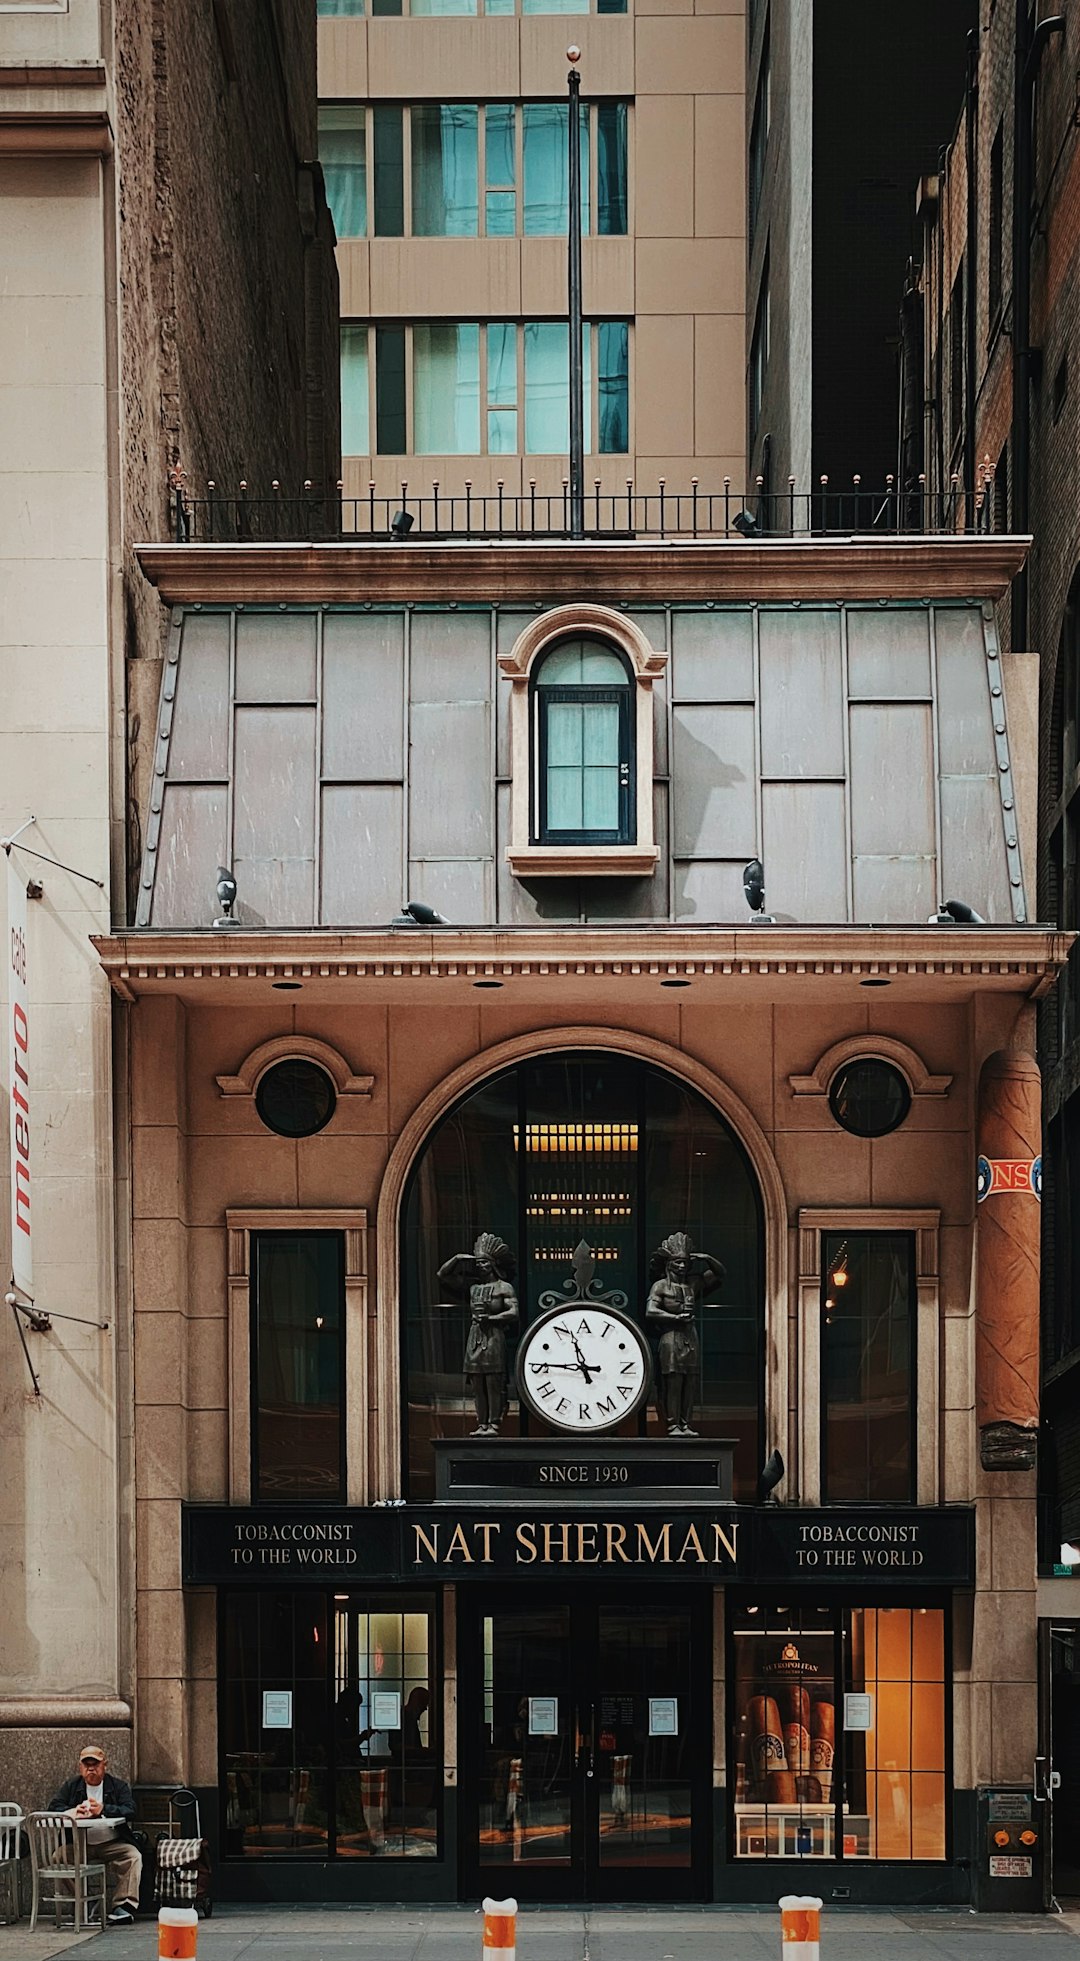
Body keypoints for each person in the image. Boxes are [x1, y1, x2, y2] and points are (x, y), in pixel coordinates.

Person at [48, 1745, 142, 1925]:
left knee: (133, 1856)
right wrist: (75, 1810)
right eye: (86, 1764)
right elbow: (54, 1807)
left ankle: (123, 1905)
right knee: (58, 1858)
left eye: (96, 1764)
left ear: (104, 1765)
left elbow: (130, 1810)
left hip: (112, 1843)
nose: (91, 1768)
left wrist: (104, 1809)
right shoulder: (71, 1786)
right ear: (80, 1767)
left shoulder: (118, 1786)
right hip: (80, 1844)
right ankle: (84, 1900)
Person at [645, 1231, 725, 1436]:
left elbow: (720, 1274)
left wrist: (706, 1258)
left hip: (690, 1336)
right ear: (668, 1263)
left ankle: (685, 1423)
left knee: (690, 1381)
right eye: (677, 1262)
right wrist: (675, 1318)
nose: (682, 1266)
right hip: (671, 1337)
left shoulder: (692, 1284)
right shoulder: (660, 1286)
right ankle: (672, 1424)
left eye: (685, 1263)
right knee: (673, 1381)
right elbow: (651, 1311)